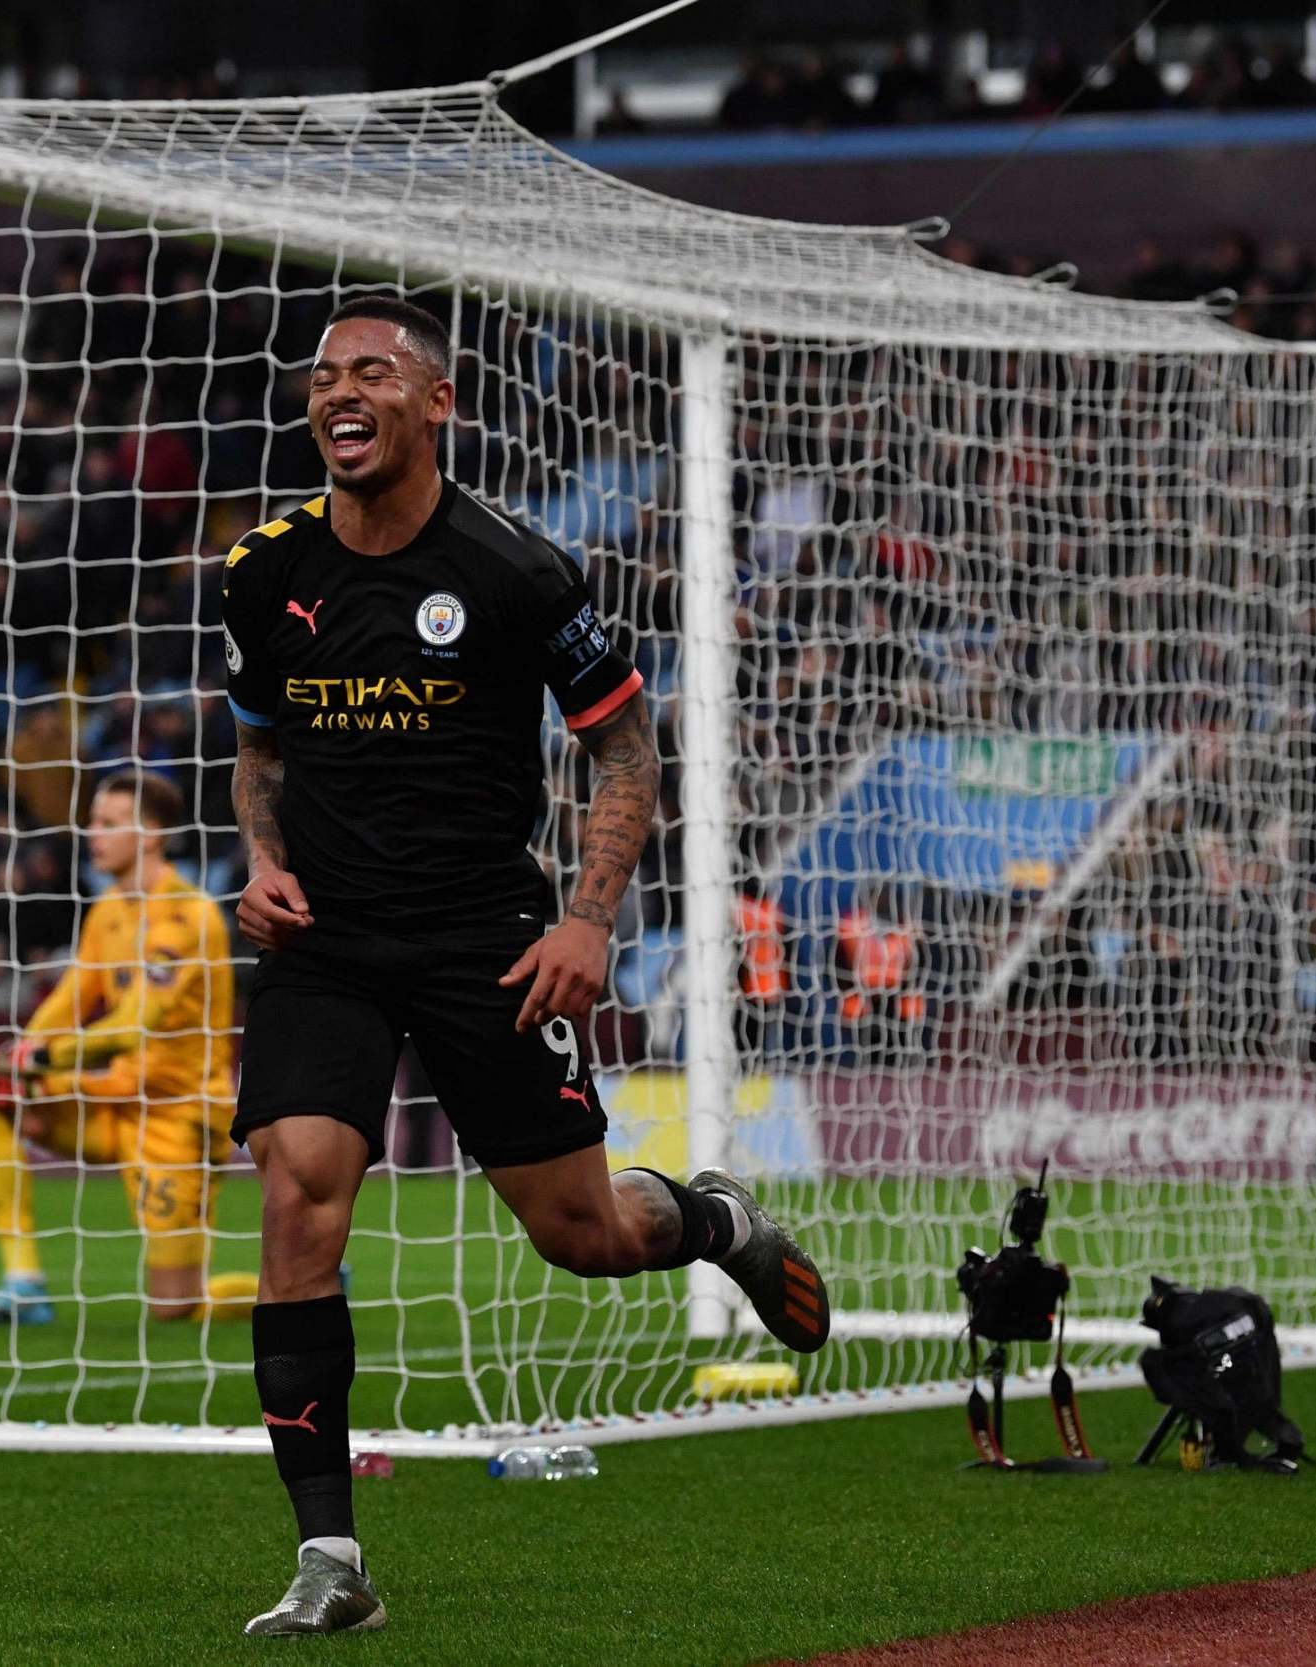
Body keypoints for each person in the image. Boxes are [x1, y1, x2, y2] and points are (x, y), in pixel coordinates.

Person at [221, 294, 830, 1636]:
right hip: (322, 942)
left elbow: (621, 747)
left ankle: (710, 1217)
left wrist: (588, 919)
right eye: (324, 374)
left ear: (435, 402)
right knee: (297, 1196)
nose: (341, 389)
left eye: (371, 370)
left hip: (484, 939)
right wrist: (260, 858)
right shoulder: (262, 568)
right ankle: (330, 1559)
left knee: (582, 1235)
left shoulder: (516, 569)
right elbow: (259, 744)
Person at [0, 769, 255, 1325]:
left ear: (149, 834)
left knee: (178, 1307)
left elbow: (133, 1024)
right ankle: (24, 1284)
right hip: (109, 1098)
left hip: (178, 1117)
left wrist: (48, 1058)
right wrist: (24, 1051)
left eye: (108, 823)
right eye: (94, 820)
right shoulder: (108, 912)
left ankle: (303, 1286)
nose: (91, 832)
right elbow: (70, 1000)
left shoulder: (187, 916)